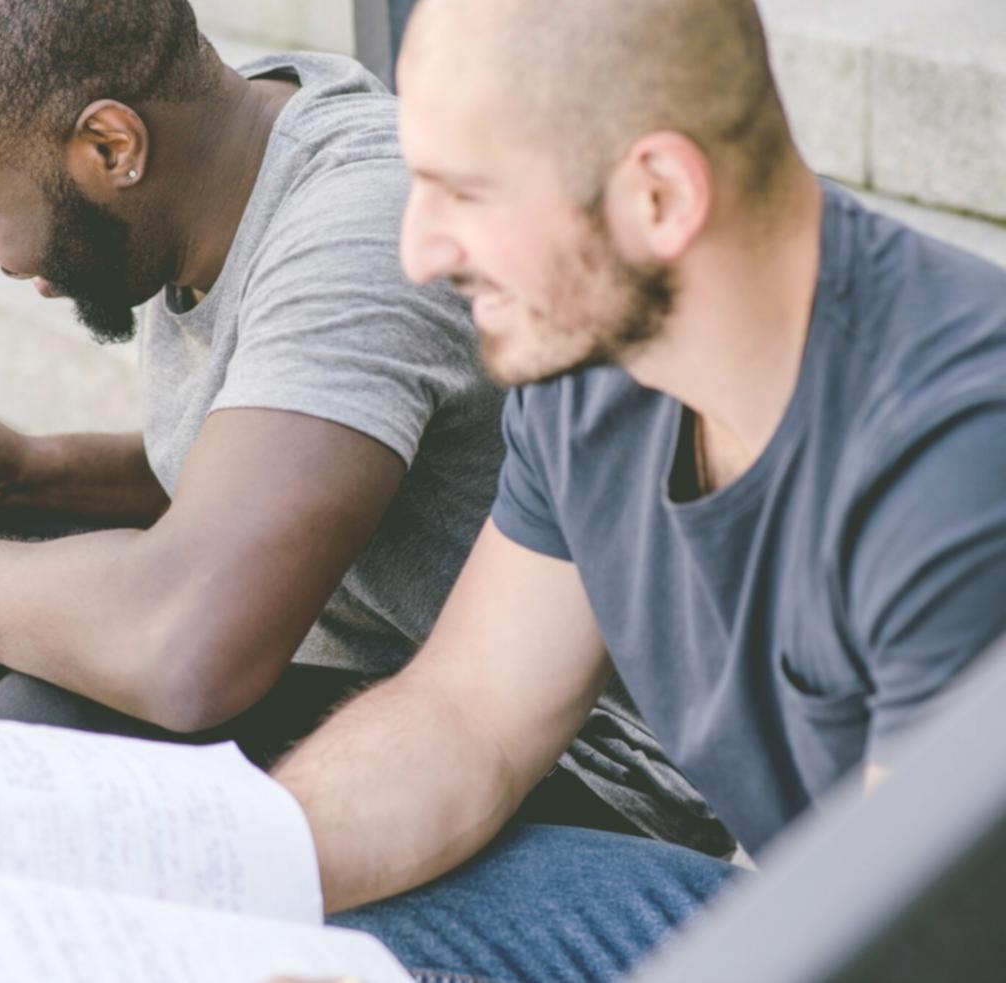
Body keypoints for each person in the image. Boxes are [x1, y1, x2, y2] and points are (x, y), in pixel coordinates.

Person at [0, 1, 727, 980]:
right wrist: (28, 468)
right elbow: (260, 464)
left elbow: (192, 644)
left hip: (569, 771)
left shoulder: (358, 228)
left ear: (110, 148)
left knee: (62, 739)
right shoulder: (210, 170)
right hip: (385, 696)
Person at [270, 0, 1006, 979]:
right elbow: (465, 723)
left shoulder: (953, 459)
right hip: (821, 909)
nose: (418, 252)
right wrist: (204, 869)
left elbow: (915, 945)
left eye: (464, 192)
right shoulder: (589, 371)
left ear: (656, 196)